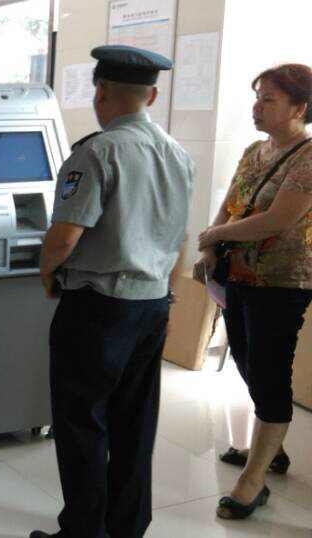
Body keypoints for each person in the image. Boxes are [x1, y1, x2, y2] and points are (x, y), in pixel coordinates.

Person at [30, 45, 194, 538]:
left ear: (100, 92)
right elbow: (180, 237)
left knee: (82, 422)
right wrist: (167, 294)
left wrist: (46, 274)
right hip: (152, 304)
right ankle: (127, 527)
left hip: (98, 307)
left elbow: (64, 236)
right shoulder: (177, 153)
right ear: (152, 96)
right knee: (136, 421)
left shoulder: (98, 152)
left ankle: (83, 531)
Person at [197, 63, 312, 520]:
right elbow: (232, 204)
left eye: (268, 100)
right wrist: (211, 245)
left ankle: (253, 479)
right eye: (257, 97)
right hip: (239, 276)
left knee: (269, 371)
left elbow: (277, 220)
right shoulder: (254, 151)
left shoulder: (308, 156)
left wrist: (215, 235)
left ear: (299, 108)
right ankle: (272, 448)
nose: (257, 107)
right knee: (246, 361)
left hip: (282, 282)